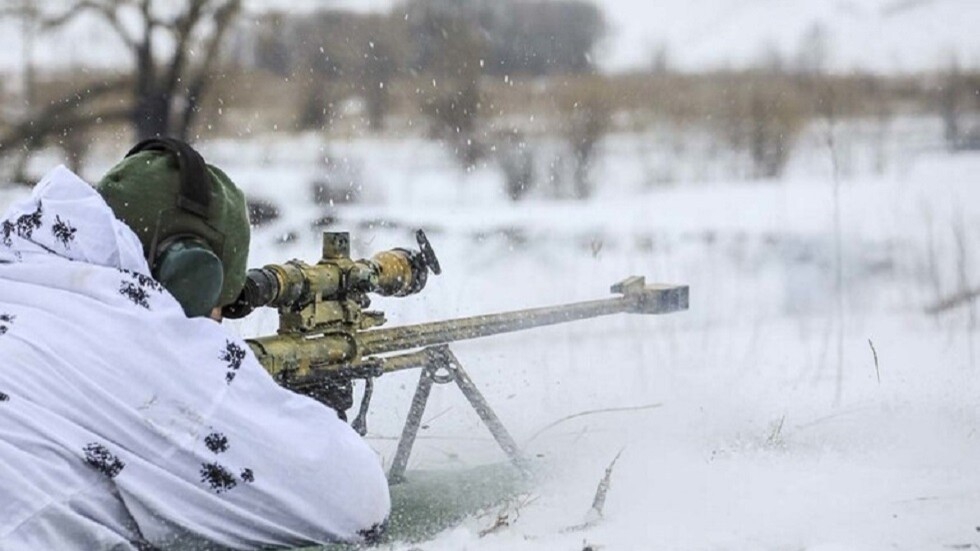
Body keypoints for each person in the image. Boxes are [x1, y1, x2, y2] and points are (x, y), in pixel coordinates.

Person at [0, 139, 390, 550]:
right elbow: (356, 504)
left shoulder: (22, 276)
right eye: (218, 307)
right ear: (190, 275)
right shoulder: (145, 342)